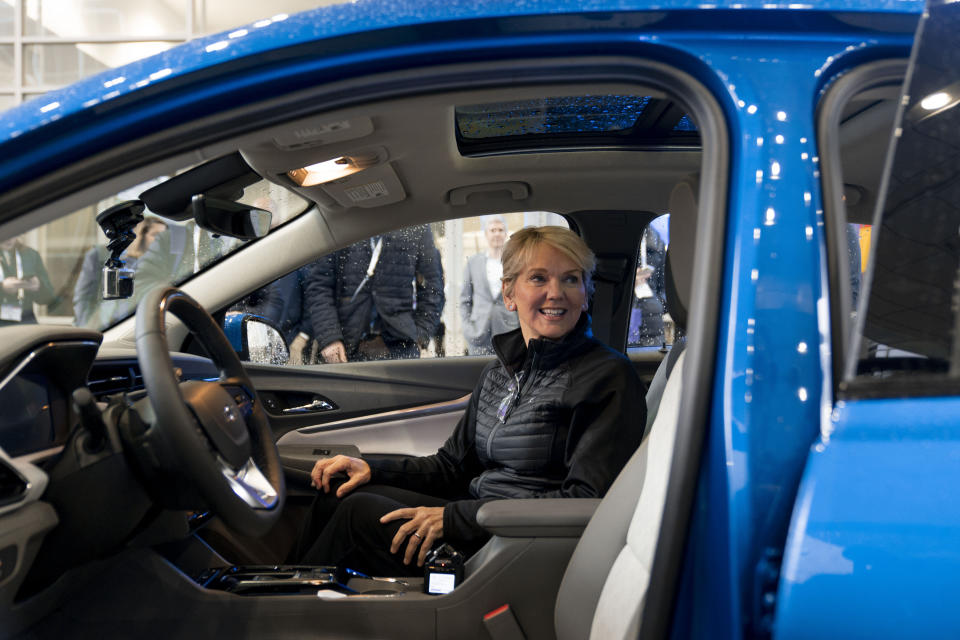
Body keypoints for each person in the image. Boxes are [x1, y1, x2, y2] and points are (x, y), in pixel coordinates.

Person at [295, 226, 645, 576]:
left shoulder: (607, 376)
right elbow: (451, 467)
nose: (556, 293)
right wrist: (371, 467)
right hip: (479, 519)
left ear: (585, 295)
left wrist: (454, 519)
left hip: (519, 542)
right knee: (341, 489)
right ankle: (280, 586)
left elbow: (584, 501)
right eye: (538, 278)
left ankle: (284, 610)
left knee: (358, 515)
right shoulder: (500, 371)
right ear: (509, 293)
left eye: (571, 280)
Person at [303, 225, 444, 362]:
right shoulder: (341, 221)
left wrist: (420, 336)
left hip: (401, 345)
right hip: (345, 346)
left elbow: (432, 287)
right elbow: (319, 285)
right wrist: (329, 338)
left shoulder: (414, 224)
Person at [73, 217, 167, 327]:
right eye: (155, 234)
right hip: (104, 325)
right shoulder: (103, 257)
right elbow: (83, 297)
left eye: (163, 236)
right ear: (141, 235)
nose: (159, 240)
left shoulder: (159, 267)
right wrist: (88, 328)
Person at [459, 215, 519, 355]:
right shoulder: (473, 262)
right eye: (492, 230)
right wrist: (468, 329)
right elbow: (464, 300)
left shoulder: (514, 263)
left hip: (509, 332)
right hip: (478, 333)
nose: (497, 233)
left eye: (500, 230)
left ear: (505, 234)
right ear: (486, 234)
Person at [0, 237, 56, 326]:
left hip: (25, 322)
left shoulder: (30, 255)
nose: (9, 239)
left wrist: (38, 286)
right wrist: (2, 288)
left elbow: (49, 298)